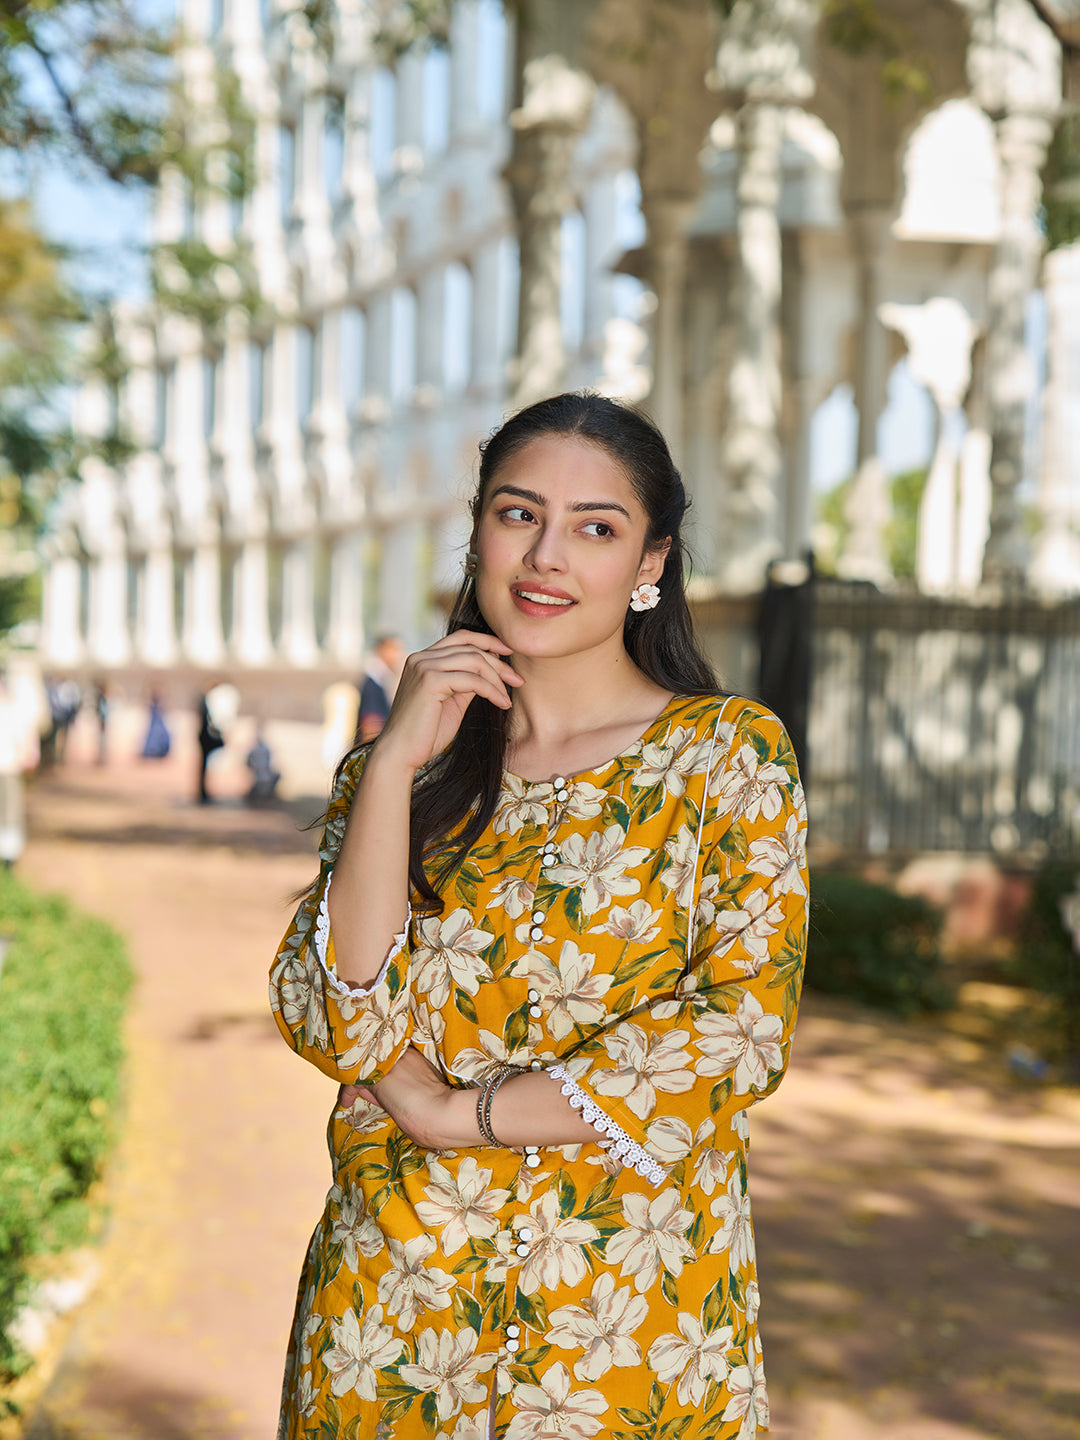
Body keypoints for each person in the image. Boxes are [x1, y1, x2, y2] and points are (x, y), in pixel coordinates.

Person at [270, 393, 808, 1440]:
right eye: (519, 515)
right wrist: (389, 771)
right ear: (477, 533)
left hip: (630, 1329)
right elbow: (336, 1021)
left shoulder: (725, 759)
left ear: (652, 561)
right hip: (391, 1310)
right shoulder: (399, 780)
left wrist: (454, 1116)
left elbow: (737, 1037)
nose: (545, 556)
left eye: (595, 527)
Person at [354, 633, 406, 743]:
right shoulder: (373, 683)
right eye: (394, 650)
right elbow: (370, 727)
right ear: (381, 650)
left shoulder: (380, 680)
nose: (399, 655)